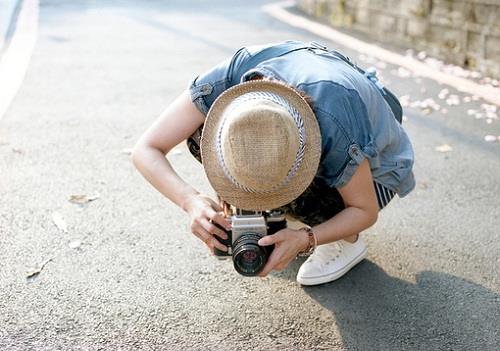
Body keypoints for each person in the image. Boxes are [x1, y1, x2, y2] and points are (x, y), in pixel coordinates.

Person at [132, 40, 415, 286]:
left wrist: (306, 238)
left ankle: (345, 240)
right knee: (198, 132)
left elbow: (364, 210)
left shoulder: (335, 121)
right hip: (329, 86)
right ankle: (282, 201)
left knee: (340, 201)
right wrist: (191, 201)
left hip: (379, 163)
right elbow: (146, 148)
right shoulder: (231, 75)